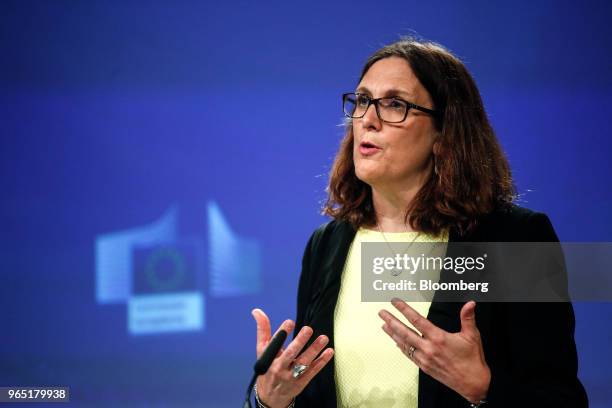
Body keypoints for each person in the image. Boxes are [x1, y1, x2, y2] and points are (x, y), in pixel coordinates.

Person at [251, 38, 588, 408]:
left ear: (444, 133)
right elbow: (310, 389)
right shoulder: (328, 244)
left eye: (395, 104)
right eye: (362, 101)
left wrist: (483, 390)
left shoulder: (512, 240)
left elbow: (560, 399)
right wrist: (271, 400)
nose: (368, 119)